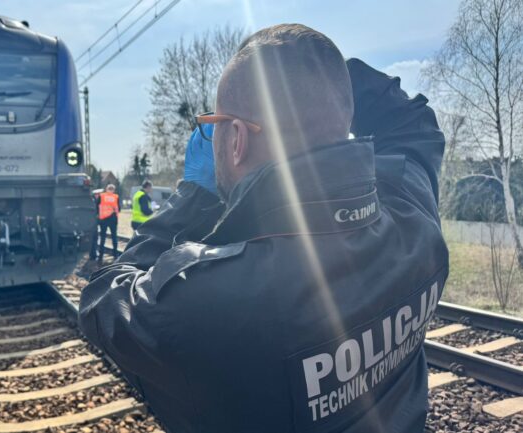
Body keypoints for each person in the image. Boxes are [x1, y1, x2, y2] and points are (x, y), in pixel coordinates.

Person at [79, 24, 447, 433]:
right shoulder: (413, 213)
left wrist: (191, 198)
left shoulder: (208, 299)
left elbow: (102, 300)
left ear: (236, 138)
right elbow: (414, 125)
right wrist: (313, 75)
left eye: (214, 123)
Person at [96, 184, 120, 259]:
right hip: (113, 219)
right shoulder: (116, 197)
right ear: (113, 190)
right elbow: (119, 209)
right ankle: (115, 255)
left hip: (103, 219)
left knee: (103, 237)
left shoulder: (102, 196)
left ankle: (100, 256)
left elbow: (97, 206)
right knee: (114, 237)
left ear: (106, 189)